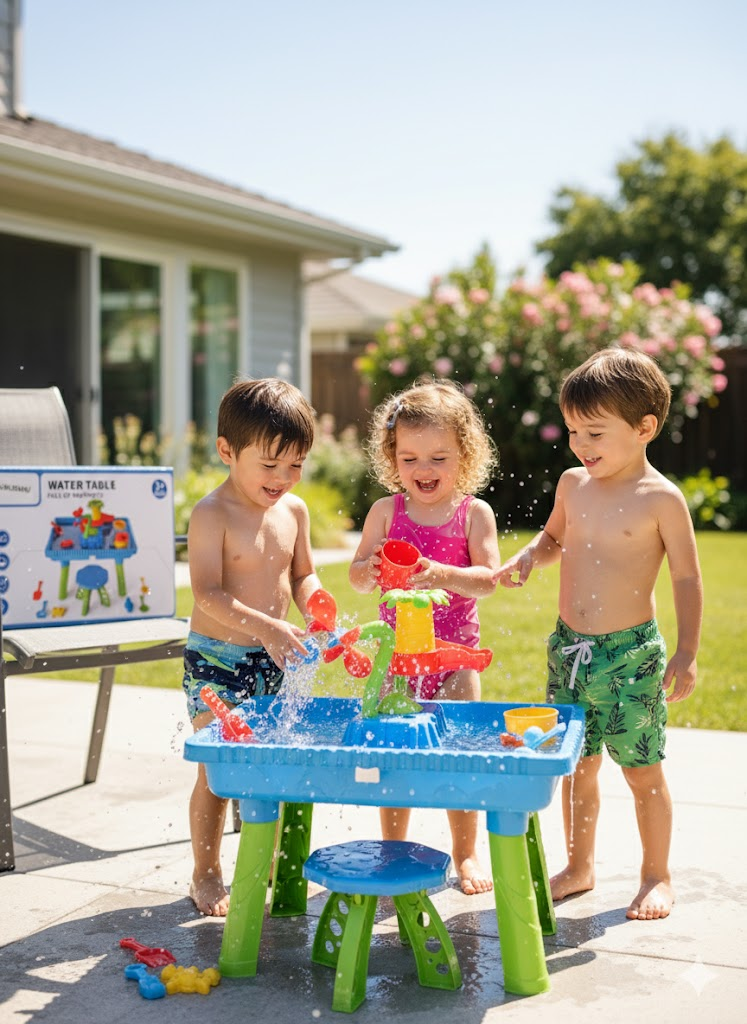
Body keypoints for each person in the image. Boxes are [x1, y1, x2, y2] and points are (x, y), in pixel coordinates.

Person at [496, 348, 702, 920]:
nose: (580, 445)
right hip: (569, 649)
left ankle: (656, 875)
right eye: (572, 432)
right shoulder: (573, 484)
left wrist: (687, 651)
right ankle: (579, 865)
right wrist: (529, 556)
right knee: (576, 766)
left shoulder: (661, 499)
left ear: (644, 428)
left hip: (630, 656)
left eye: (594, 432)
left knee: (641, 770)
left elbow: (686, 578)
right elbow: (552, 539)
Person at [349, 377, 500, 895]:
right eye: (409, 458)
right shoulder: (385, 512)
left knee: (458, 756)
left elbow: (488, 580)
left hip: (454, 660)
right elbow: (357, 576)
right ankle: (392, 850)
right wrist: (368, 568)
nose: (423, 469)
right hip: (397, 663)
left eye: (439, 458)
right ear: (392, 459)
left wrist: (440, 573)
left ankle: (466, 853)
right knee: (394, 761)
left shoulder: (473, 514)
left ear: (465, 455)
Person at [184, 377, 322, 915]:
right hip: (215, 662)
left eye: (296, 464)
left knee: (272, 764)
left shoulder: (294, 511)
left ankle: (266, 859)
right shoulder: (211, 514)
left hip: (274, 659)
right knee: (218, 771)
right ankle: (206, 872)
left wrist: (316, 603)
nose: (283, 478)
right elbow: (207, 593)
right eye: (270, 464)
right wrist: (267, 626)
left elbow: (302, 574)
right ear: (227, 451)